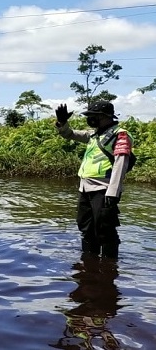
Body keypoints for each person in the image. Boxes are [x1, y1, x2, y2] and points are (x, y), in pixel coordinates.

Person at [55, 101, 133, 259]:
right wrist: (62, 123)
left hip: (104, 189)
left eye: (94, 116)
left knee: (104, 227)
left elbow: (121, 163)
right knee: (85, 226)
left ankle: (109, 267)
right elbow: (68, 134)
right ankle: (89, 262)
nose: (90, 118)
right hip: (85, 188)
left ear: (106, 116)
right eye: (89, 115)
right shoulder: (93, 134)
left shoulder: (120, 134)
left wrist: (113, 191)